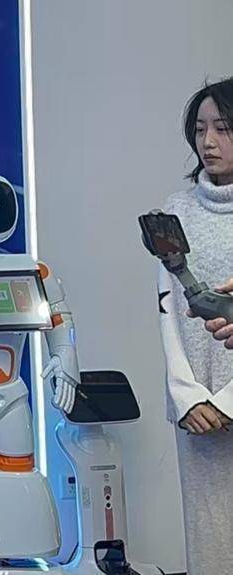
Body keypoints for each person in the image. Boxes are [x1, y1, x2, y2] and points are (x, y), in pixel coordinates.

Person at [155, 77, 233, 573]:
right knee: (210, 546)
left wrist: (228, 401)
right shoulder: (175, 210)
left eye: (223, 128)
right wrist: (187, 397)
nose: (209, 141)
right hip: (197, 411)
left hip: (225, 399)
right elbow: (167, 311)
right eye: (201, 129)